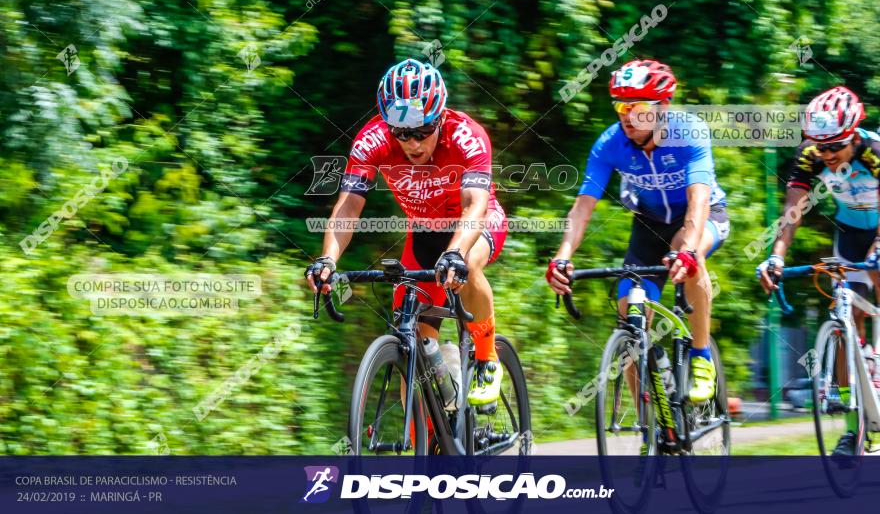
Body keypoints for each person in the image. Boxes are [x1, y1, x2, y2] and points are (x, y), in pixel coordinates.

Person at [305, 58, 508, 407]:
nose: (411, 143)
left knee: (469, 264)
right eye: (400, 133)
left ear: (440, 117)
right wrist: (327, 259)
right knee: (410, 340)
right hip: (424, 232)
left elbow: (475, 204)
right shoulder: (372, 141)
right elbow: (350, 205)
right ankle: (425, 449)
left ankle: (487, 358)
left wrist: (456, 252)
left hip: (475, 223)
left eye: (421, 131)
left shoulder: (467, 136)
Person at [546, 59, 729, 411]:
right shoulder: (610, 143)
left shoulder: (688, 132)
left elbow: (699, 199)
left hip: (702, 218)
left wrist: (688, 249)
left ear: (663, 107)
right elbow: (583, 205)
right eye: (621, 106)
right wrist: (563, 255)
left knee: (688, 255)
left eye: (638, 108)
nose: (627, 116)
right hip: (649, 225)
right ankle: (649, 423)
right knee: (628, 313)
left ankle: (701, 355)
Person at [756, 86, 880, 456]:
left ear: (854, 136)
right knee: (845, 308)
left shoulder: (874, 152)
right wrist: (776, 256)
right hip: (852, 230)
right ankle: (851, 424)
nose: (825, 155)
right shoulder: (811, 153)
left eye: (833, 148)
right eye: (819, 147)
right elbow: (793, 211)